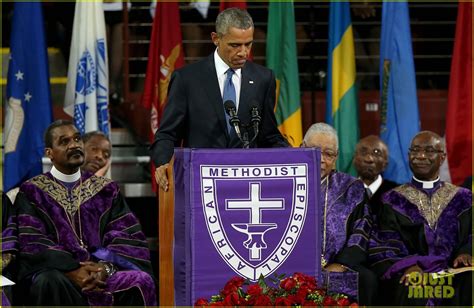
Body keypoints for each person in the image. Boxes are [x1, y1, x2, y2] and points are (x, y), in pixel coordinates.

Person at [13, 120, 156, 306]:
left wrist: (104, 268)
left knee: (140, 280)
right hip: (59, 273)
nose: (74, 144)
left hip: (101, 271)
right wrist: (72, 270)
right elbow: (32, 240)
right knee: (47, 281)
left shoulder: (107, 190)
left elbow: (126, 237)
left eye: (77, 139)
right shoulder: (32, 191)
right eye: (64, 142)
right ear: (49, 153)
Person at [151, 8, 289, 191]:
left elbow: (268, 135)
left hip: (247, 186)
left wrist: (297, 158)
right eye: (235, 45)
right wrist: (163, 163)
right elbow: (167, 135)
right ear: (216, 38)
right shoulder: (187, 79)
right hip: (200, 185)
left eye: (248, 44)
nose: (243, 52)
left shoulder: (263, 79)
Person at [370, 131, 472, 306]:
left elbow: (471, 233)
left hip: (454, 272)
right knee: (413, 287)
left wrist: (467, 252)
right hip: (412, 272)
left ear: (442, 157)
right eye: (415, 150)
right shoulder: (392, 200)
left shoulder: (463, 198)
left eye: (429, 151)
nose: (420, 156)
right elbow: (385, 244)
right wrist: (407, 266)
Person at [302, 123, 377, 305]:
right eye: (315, 150)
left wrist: (342, 264)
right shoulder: (283, 183)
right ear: (301, 148)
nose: (321, 159)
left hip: (338, 264)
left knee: (367, 279)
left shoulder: (351, 188)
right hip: (293, 265)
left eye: (328, 154)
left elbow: (362, 230)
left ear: (335, 158)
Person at [352, 135, 398, 218]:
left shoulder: (398, 194)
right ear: (354, 159)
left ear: (385, 164)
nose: (369, 159)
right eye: (363, 152)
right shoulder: (344, 192)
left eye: (376, 153)